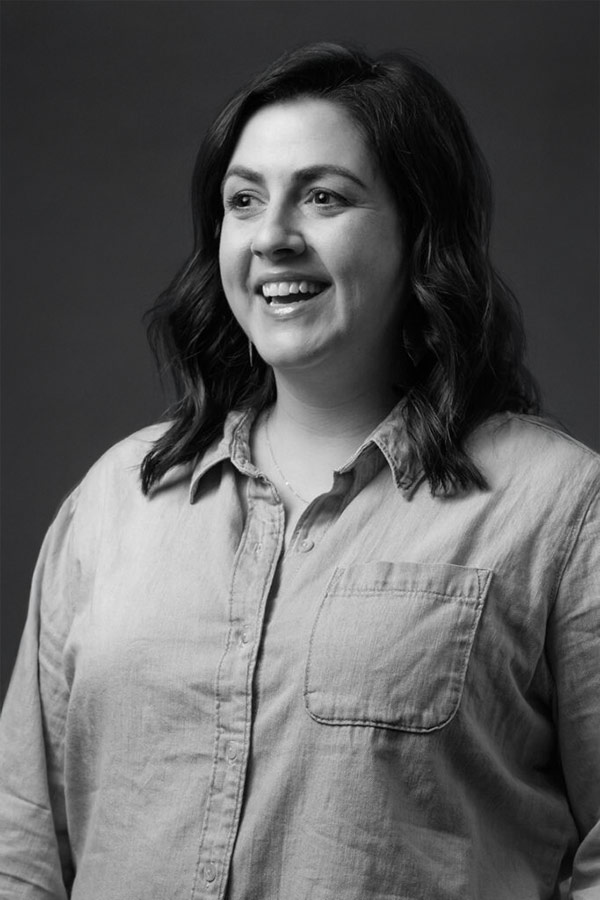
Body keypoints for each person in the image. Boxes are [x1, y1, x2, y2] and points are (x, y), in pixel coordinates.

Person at [0, 41, 598, 900]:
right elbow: (21, 839)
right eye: (244, 201)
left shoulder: (558, 506)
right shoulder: (114, 499)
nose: (274, 237)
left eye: (323, 197)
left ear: (419, 231)